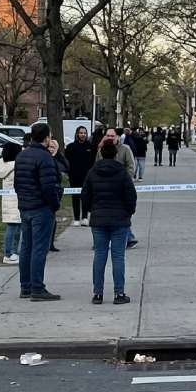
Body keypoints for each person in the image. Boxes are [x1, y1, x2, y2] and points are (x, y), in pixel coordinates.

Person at [81, 141, 136, 305]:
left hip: (98, 218)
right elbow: (131, 196)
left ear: (101, 154)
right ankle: (119, 293)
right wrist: (128, 212)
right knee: (118, 257)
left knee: (99, 256)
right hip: (119, 219)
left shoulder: (92, 172)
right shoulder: (122, 172)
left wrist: (92, 209)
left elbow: (85, 195)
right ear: (115, 154)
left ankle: (97, 294)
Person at [14, 123, 62, 301]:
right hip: (41, 208)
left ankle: (25, 286)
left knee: (26, 247)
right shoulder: (45, 158)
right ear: (47, 137)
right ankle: (37, 288)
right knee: (39, 249)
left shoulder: (22, 156)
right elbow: (48, 187)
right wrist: (55, 204)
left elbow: (17, 183)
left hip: (25, 206)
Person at [97, 128, 139, 248]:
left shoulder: (125, 149)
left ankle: (127, 238)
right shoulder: (101, 150)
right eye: (108, 135)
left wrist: (125, 181)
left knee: (122, 213)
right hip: (105, 187)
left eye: (112, 136)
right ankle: (128, 237)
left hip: (122, 187)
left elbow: (131, 166)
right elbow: (97, 165)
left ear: (117, 137)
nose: (110, 138)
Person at [0, 143, 23, 265]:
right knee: (13, 228)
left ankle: (13, 252)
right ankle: (8, 253)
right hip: (16, 200)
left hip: (8, 200)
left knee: (14, 227)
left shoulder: (2, 164)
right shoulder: (16, 166)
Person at [65, 126, 95, 227]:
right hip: (74, 176)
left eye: (85, 133)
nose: (83, 135)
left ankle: (85, 217)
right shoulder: (70, 147)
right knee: (75, 197)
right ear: (77, 134)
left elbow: (93, 162)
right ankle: (77, 218)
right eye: (81, 133)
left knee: (86, 197)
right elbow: (67, 162)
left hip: (87, 177)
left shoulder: (90, 147)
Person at [46, 138, 69, 253]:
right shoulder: (44, 158)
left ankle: (51, 243)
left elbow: (65, 167)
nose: (51, 149)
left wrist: (56, 155)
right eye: (49, 147)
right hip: (47, 191)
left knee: (53, 218)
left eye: (53, 147)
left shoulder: (59, 158)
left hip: (56, 191)